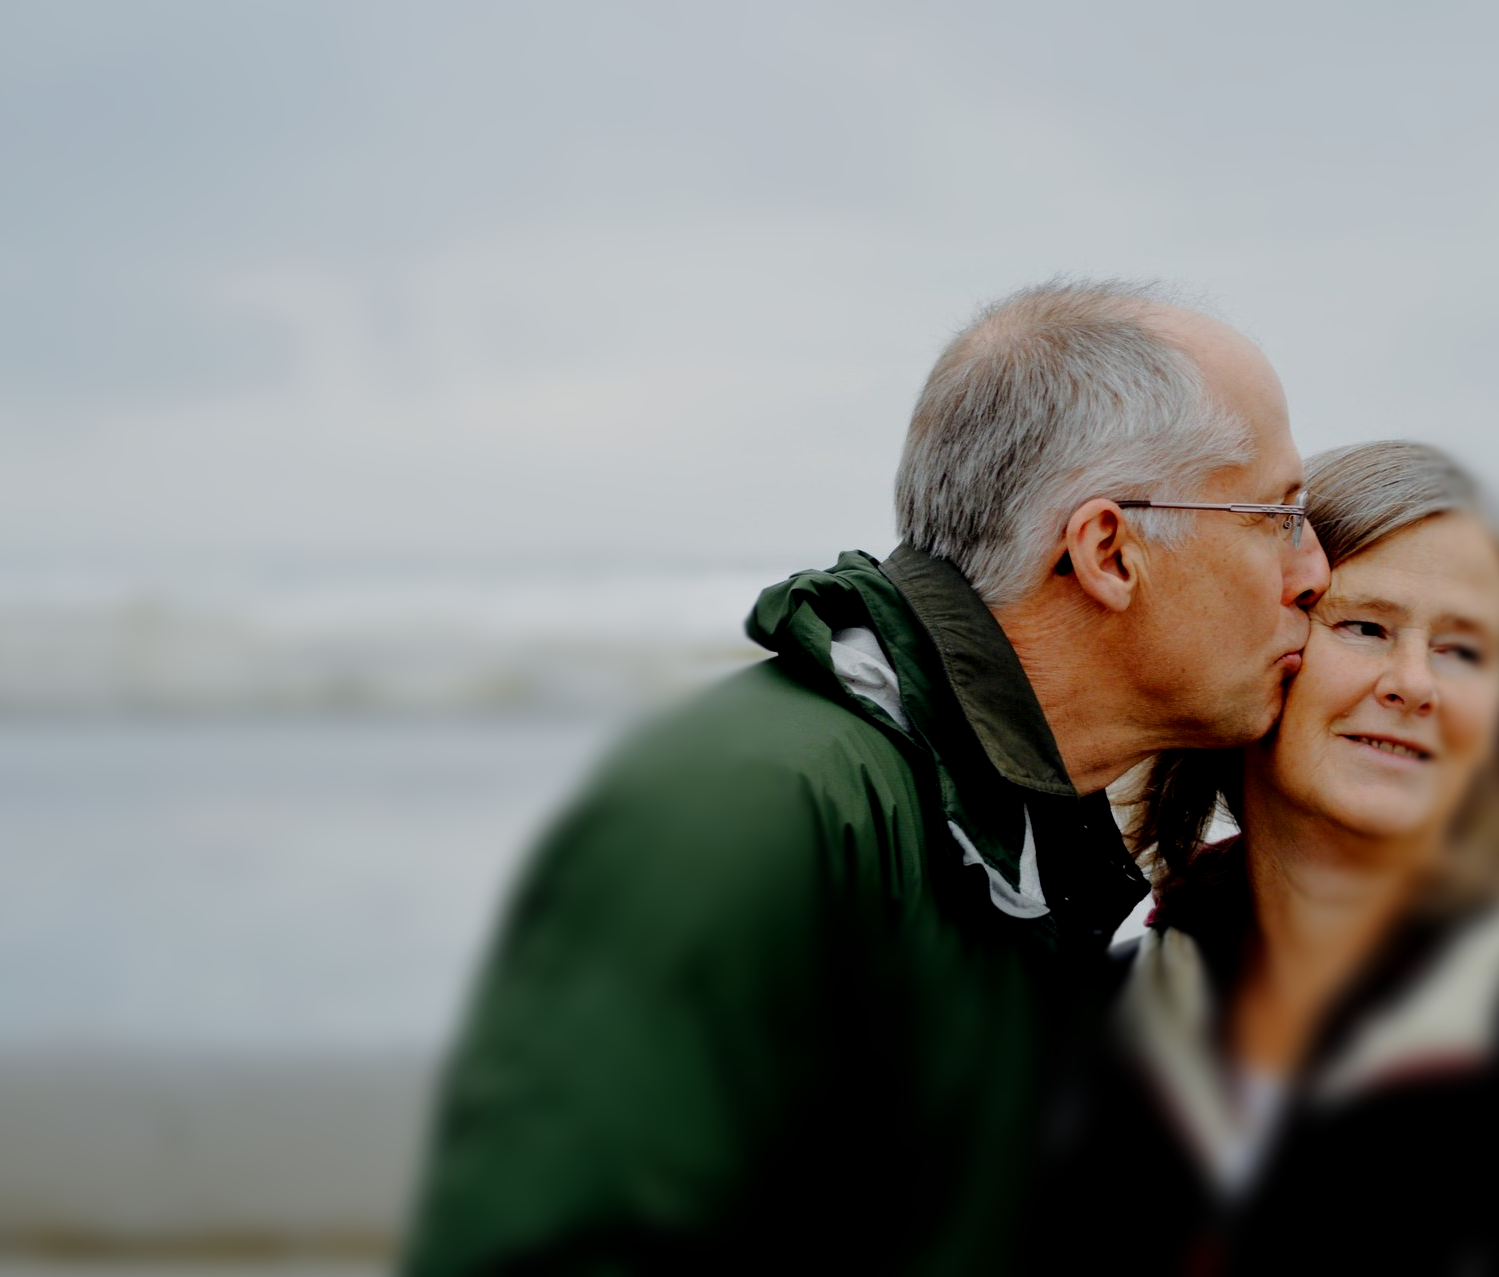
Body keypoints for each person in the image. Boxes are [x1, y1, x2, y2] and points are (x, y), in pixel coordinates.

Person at [399, 279, 1330, 1275]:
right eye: (1277, 515)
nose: (1313, 569)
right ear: (1108, 550)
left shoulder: (1025, 840)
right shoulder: (753, 811)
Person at [1046, 440, 1499, 1274]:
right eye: (1365, 626)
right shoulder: (1091, 1021)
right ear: (1266, 643)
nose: (1414, 683)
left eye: (1462, 648)